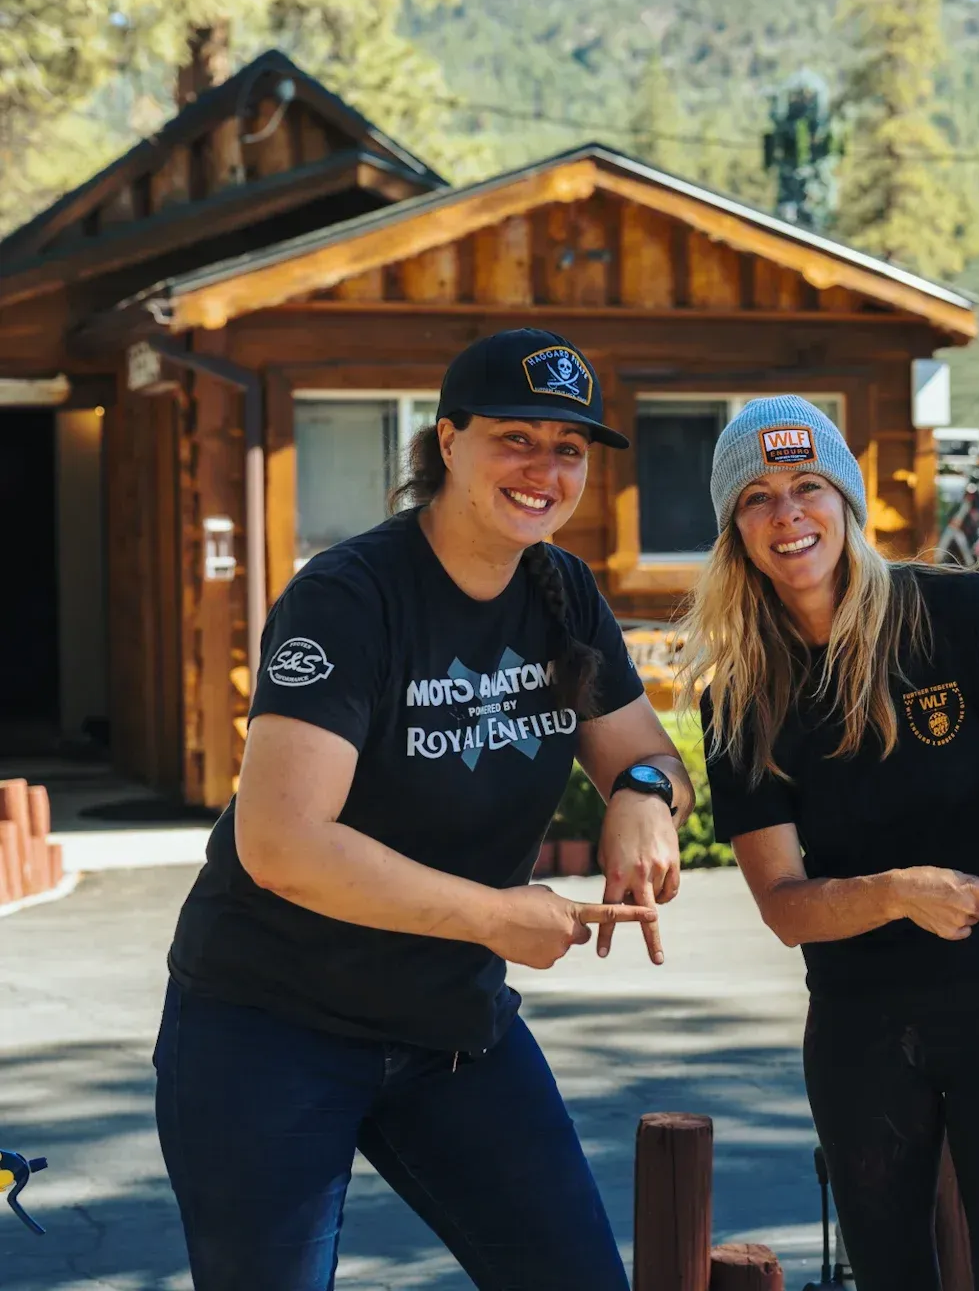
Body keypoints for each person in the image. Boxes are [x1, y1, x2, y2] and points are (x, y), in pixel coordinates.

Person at [156, 328, 692, 1291]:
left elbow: (650, 758)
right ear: (447, 441)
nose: (545, 470)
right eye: (516, 438)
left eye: (569, 448)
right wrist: (496, 917)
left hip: (452, 1030)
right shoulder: (348, 596)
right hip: (268, 1028)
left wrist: (645, 800)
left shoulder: (562, 591)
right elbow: (280, 843)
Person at [678, 397, 979, 1291]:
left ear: (848, 502)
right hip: (861, 1020)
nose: (788, 514)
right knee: (889, 1273)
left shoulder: (952, 609)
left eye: (808, 486)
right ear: (734, 530)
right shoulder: (738, 694)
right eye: (757, 497)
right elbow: (785, 907)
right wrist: (901, 891)